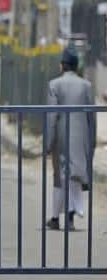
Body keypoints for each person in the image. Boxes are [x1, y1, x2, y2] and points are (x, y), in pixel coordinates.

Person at [46, 47, 95, 231]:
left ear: (62, 66)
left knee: (60, 177)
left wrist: (48, 144)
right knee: (74, 176)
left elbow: (51, 116)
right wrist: (91, 143)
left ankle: (57, 218)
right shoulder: (87, 86)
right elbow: (92, 117)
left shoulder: (54, 84)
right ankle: (66, 218)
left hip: (61, 137)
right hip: (81, 136)